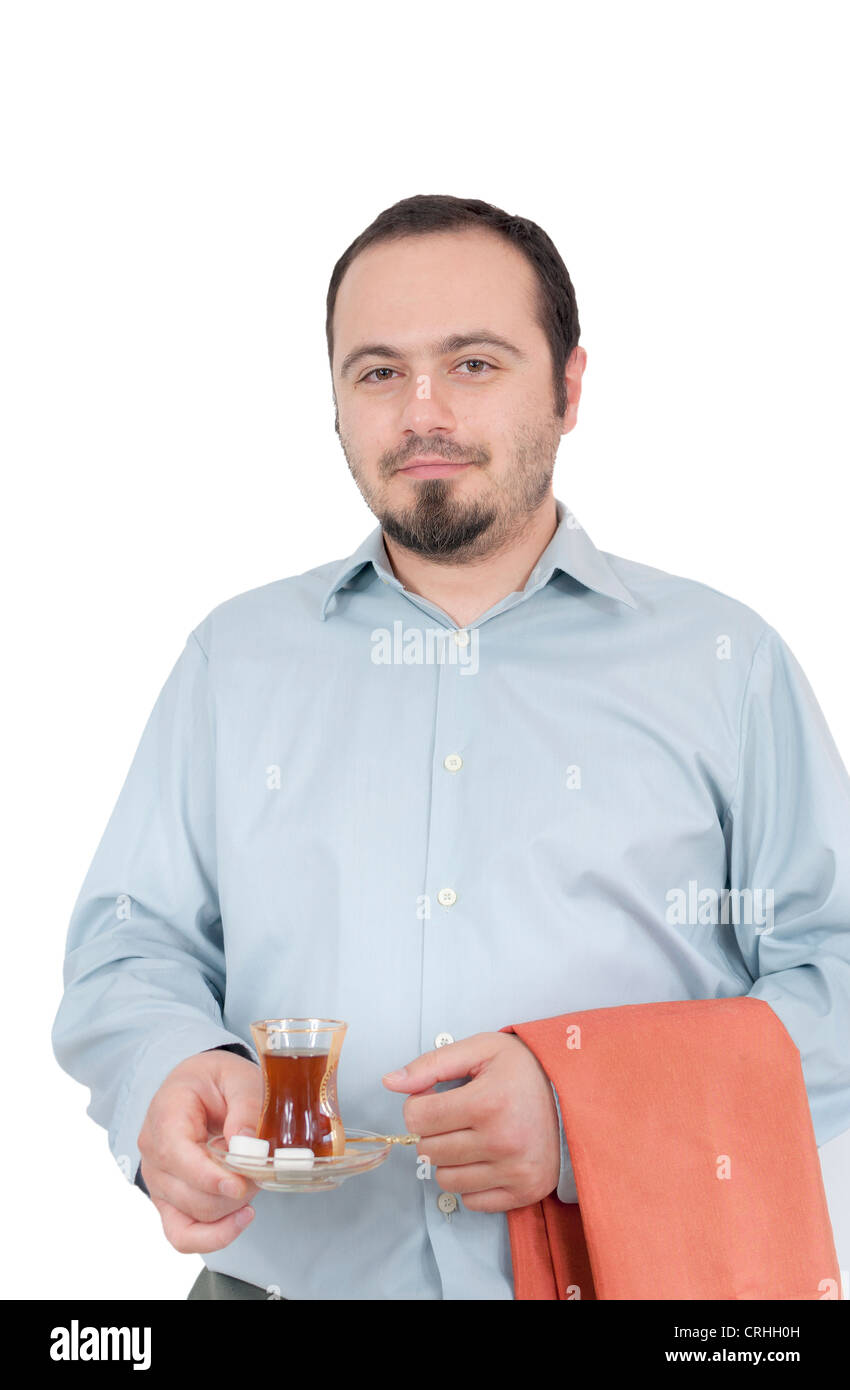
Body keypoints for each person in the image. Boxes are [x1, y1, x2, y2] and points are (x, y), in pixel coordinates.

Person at [53, 194, 850, 1301]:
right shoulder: (230, 662)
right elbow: (128, 951)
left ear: (570, 388)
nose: (421, 410)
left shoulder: (727, 663)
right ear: (333, 401)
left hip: (640, 1284)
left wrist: (588, 1110)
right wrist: (174, 1072)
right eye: (377, 372)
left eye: (473, 363)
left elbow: (835, 970)